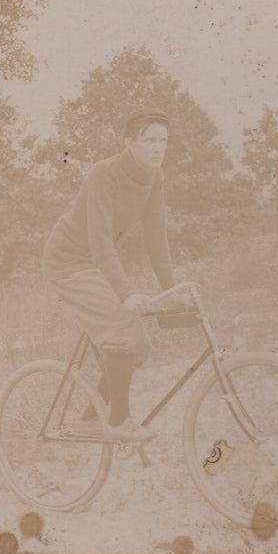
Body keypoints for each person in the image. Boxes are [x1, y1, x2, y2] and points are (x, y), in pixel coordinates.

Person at [42, 108, 175, 441]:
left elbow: (156, 238)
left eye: (163, 141)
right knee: (123, 325)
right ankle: (118, 423)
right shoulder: (105, 173)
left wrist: (171, 290)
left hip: (95, 262)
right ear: (130, 143)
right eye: (149, 141)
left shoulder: (154, 176)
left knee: (137, 343)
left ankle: (90, 418)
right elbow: (101, 244)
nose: (157, 148)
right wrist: (127, 293)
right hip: (69, 261)